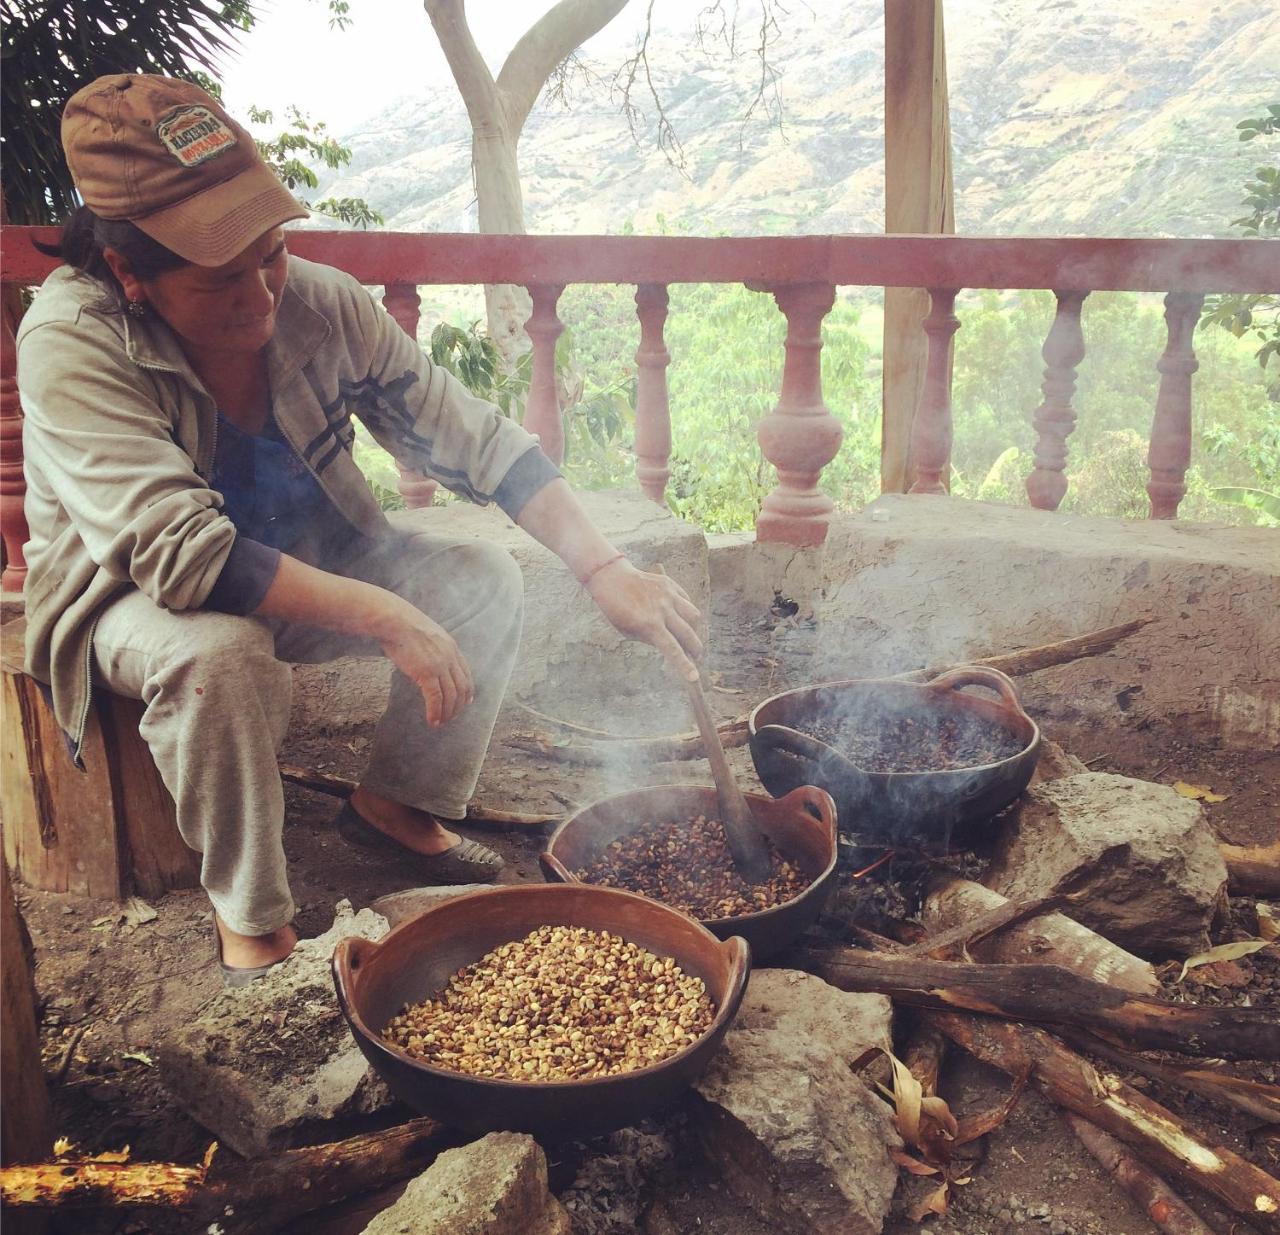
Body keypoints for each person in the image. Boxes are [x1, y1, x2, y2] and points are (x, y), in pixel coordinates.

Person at [17, 74, 703, 986]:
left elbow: (475, 438)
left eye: (271, 253)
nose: (261, 293)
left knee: (482, 581)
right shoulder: (71, 342)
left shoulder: (320, 304)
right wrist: (386, 615)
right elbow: (178, 554)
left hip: (311, 556)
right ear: (129, 273)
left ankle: (395, 807)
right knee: (220, 655)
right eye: (221, 276)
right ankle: (255, 929)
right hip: (130, 597)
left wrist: (604, 567)